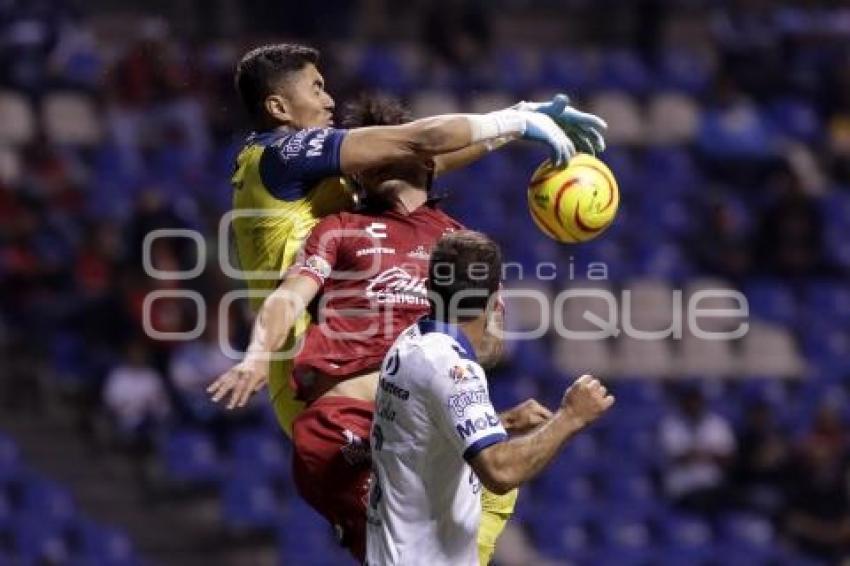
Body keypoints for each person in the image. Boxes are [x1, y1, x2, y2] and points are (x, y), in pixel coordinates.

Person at [211, 95, 554, 563]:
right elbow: (290, 296)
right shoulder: (339, 228)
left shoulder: (457, 242)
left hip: (418, 428)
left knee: (448, 537)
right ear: (362, 174)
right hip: (344, 425)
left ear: (428, 167)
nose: (386, 161)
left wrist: (489, 323)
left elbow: (486, 347)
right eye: (374, 159)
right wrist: (256, 355)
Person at [217, 42, 606, 437]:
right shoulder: (284, 154)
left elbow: (421, 163)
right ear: (279, 108)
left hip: (342, 373)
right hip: (317, 379)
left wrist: (510, 127)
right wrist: (513, 121)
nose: (330, 101)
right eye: (316, 88)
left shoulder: (302, 175)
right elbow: (420, 141)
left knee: (443, 480)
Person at [365, 230, 614, 565]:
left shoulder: (411, 342)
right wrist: (571, 416)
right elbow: (500, 471)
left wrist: (506, 422)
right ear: (496, 300)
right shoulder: (451, 368)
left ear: (429, 288)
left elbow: (422, 439)